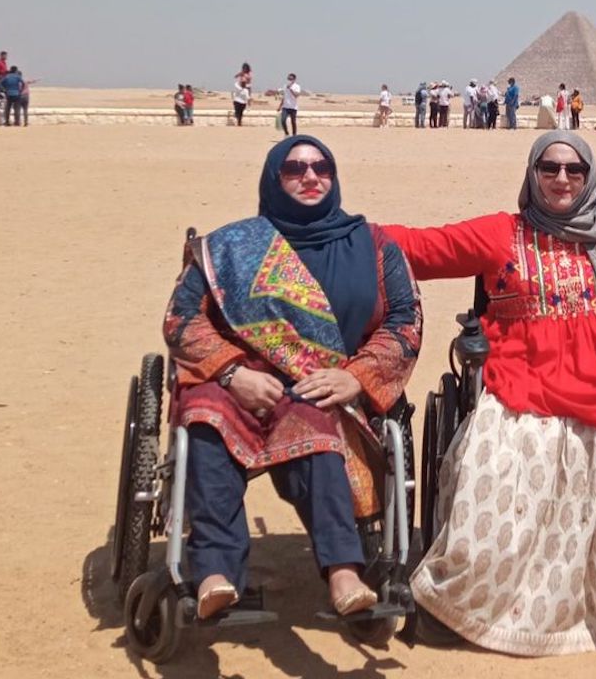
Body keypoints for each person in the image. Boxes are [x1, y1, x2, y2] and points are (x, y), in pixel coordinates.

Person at [383, 131, 596, 665]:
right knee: (503, 460)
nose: (562, 178)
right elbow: (423, 247)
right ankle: (476, 603)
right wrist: (340, 232)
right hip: (526, 380)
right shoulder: (501, 234)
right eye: (549, 167)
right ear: (532, 174)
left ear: (590, 177)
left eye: (574, 169)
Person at [163, 135, 423, 621]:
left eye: (321, 167)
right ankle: (215, 571)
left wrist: (357, 377)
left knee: (316, 422)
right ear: (273, 179)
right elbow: (182, 320)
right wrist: (232, 372)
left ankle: (343, 570)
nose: (310, 177)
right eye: (294, 169)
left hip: (325, 384)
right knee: (205, 419)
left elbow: (405, 322)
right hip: (236, 383)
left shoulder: (374, 246)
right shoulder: (229, 247)